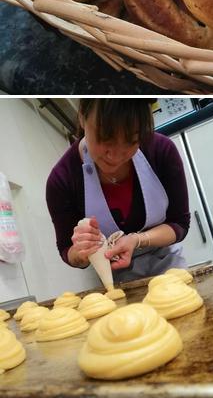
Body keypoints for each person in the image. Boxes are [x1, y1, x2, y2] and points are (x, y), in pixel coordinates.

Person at [46, 98, 190, 282]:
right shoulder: (62, 180)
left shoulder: (161, 151)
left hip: (170, 269)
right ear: (82, 117)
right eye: (105, 138)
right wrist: (80, 251)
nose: (115, 156)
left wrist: (137, 240)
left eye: (132, 140)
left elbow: (180, 223)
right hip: (115, 282)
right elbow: (67, 250)